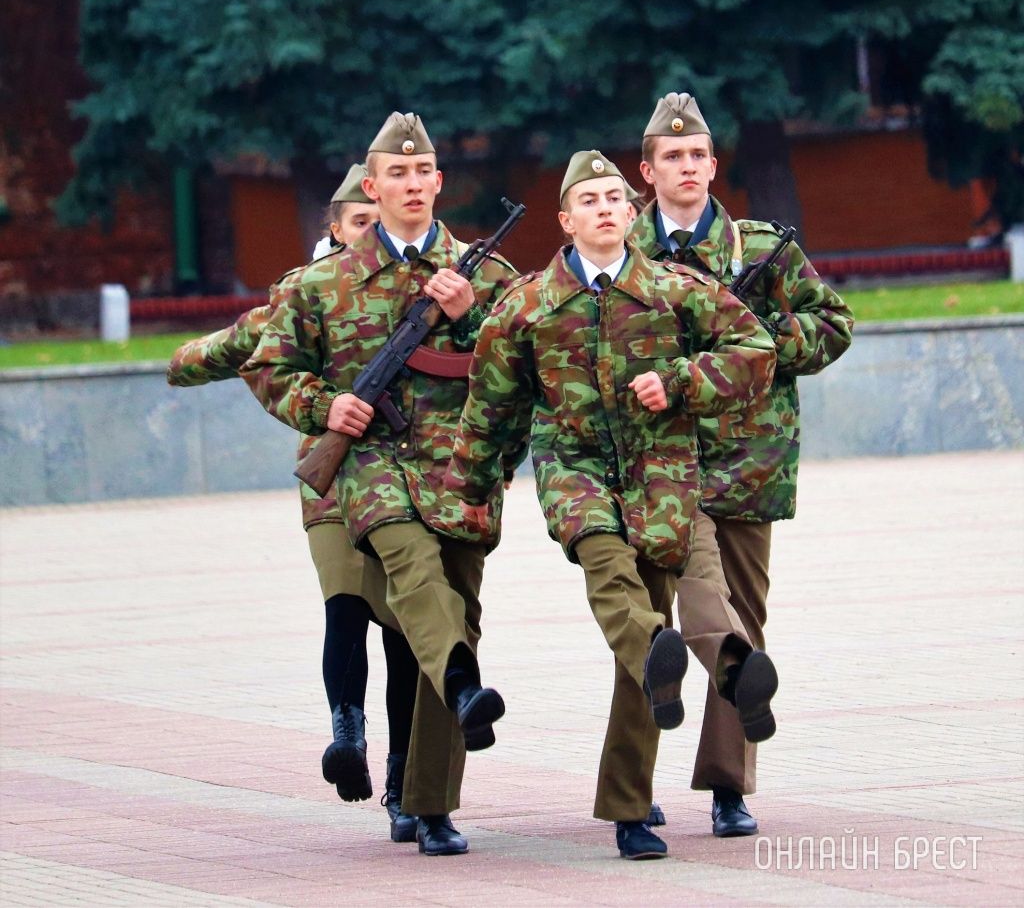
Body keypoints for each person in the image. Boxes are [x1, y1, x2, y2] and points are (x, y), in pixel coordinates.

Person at [445, 150, 781, 860]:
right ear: (566, 220)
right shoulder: (528, 303)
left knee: (660, 643)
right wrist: (470, 492)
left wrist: (683, 380)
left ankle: (633, 801)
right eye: (588, 200)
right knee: (610, 569)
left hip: (665, 474)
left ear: (632, 215)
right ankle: (704, 668)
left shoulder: (673, 288)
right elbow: (490, 405)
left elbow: (754, 346)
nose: (604, 208)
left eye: (614, 198)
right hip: (576, 469)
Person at [241, 112, 518, 856]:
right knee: (414, 575)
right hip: (370, 472)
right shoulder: (326, 281)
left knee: (446, 614)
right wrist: (321, 406)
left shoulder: (487, 277)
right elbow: (268, 365)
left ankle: (428, 802)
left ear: (438, 181)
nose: (412, 184)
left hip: (461, 471)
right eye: (396, 174)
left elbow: (530, 367)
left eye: (422, 171)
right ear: (373, 186)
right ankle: (462, 682)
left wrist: (471, 323)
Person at [166, 164, 431, 842]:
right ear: (336, 228)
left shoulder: (425, 281)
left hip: (407, 478)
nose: (372, 233)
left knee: (404, 630)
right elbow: (248, 346)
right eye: (359, 224)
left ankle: (405, 779)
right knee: (344, 602)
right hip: (335, 481)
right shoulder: (308, 293)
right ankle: (349, 732)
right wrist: (186, 359)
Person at [632, 92, 855, 837]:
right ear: (648, 170)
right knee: (649, 629)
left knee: (739, 623)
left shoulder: (761, 249)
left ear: (713, 166)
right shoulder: (620, 251)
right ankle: (632, 783)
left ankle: (729, 786)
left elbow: (832, 327)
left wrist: (754, 336)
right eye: (673, 156)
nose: (686, 166)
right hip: (653, 462)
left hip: (746, 465)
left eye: (697, 155)